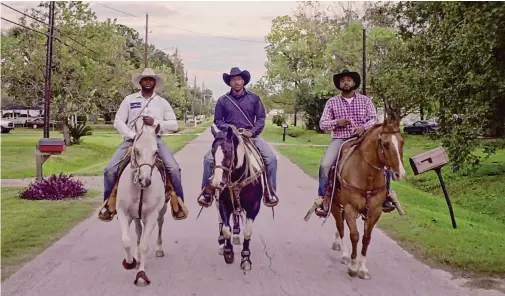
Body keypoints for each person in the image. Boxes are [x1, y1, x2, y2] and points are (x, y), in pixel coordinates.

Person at [98, 68, 186, 221]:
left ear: (155, 83)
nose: (148, 82)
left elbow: (174, 125)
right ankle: (109, 204)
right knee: (110, 169)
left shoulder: (162, 103)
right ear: (140, 82)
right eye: (145, 79)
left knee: (174, 168)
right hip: (131, 140)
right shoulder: (129, 100)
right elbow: (118, 121)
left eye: (151, 79)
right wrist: (133, 135)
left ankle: (178, 203)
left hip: (154, 140)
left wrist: (156, 122)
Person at [314, 69, 396, 217]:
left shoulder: (365, 100)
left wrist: (363, 127)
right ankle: (323, 197)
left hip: (364, 139)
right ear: (339, 84)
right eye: (343, 80)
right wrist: (336, 122)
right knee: (325, 164)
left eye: (349, 80)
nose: (346, 82)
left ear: (354, 83)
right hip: (341, 139)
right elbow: (322, 124)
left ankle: (386, 196)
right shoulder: (332, 102)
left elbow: (374, 119)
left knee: (385, 161)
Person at [197, 67, 279, 208]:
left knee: (271, 159)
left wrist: (252, 132)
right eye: (233, 79)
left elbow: (260, 118)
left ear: (243, 81)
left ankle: (269, 191)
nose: (236, 82)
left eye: (239, 79)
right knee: (208, 160)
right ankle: (207, 192)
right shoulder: (222, 100)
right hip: (229, 138)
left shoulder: (254, 99)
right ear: (229, 83)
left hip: (250, 136)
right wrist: (230, 129)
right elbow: (218, 121)